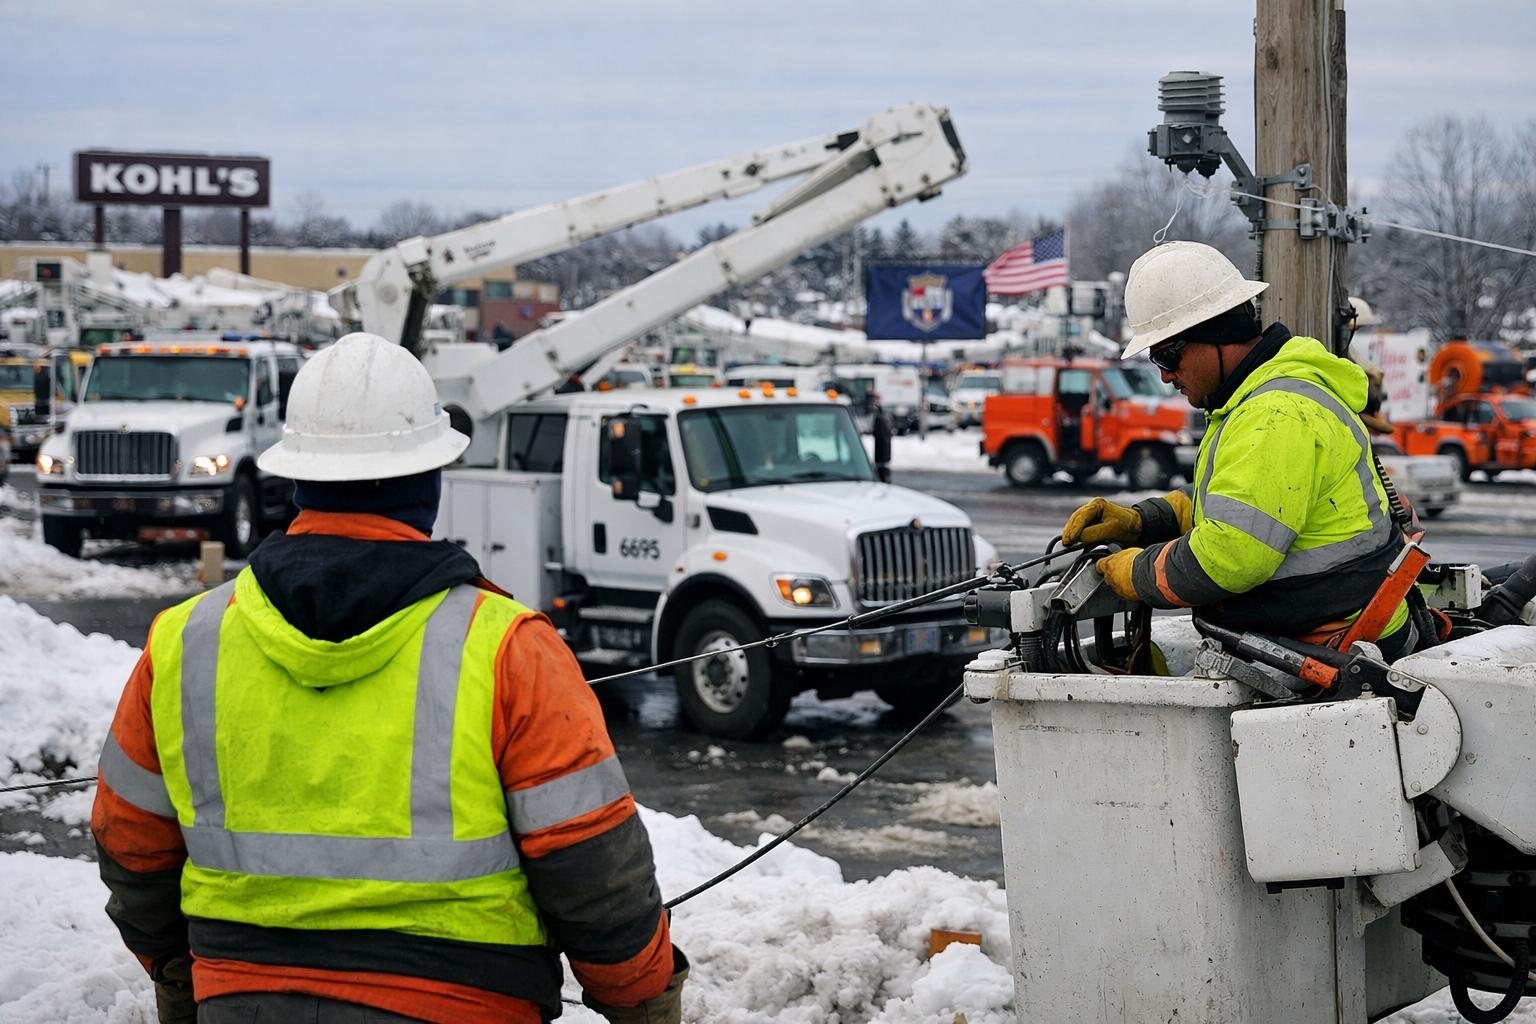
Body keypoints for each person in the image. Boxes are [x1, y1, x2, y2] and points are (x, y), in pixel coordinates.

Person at [91, 333, 686, 1024]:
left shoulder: (185, 644)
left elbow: (129, 844)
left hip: (240, 1000)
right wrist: (642, 999)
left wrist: (181, 974)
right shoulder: (507, 649)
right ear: (430, 477)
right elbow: (593, 870)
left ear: (296, 476)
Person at [1061, 242, 1421, 659]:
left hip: (1334, 654)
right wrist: (1144, 521)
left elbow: (1230, 555)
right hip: (1329, 634)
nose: (1164, 376)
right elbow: (1251, 509)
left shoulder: (1274, 414)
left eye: (1168, 355)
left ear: (1218, 334)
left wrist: (1134, 572)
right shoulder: (1261, 398)